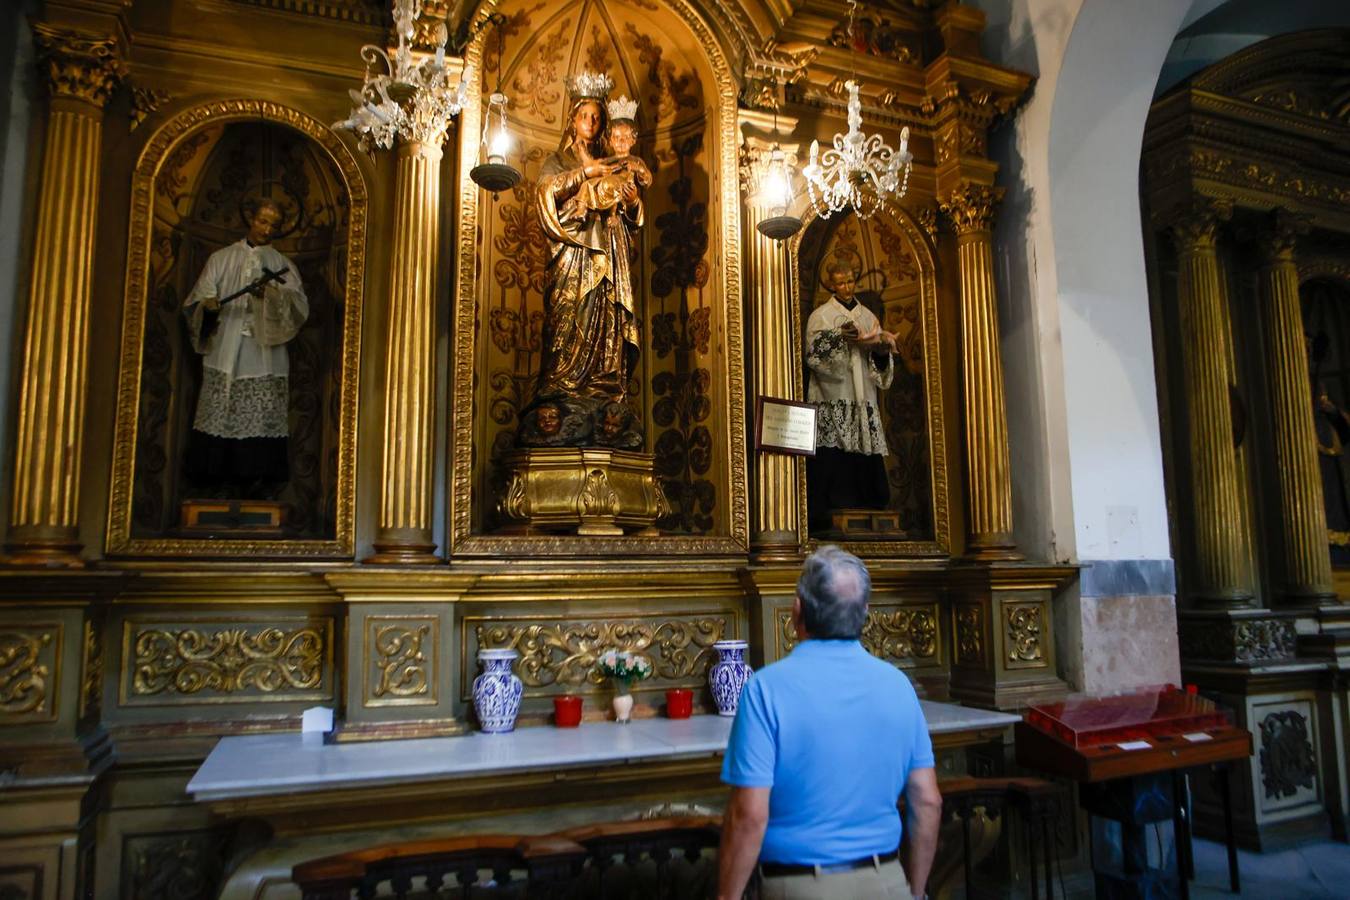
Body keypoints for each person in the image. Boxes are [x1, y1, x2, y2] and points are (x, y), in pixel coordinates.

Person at [718, 545, 941, 900]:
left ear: (797, 610)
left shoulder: (765, 689)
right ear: (865, 612)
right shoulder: (898, 685)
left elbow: (749, 815)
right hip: (886, 881)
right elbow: (927, 801)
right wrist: (913, 890)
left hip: (798, 886)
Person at [519, 71, 645, 449]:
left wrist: (631, 201)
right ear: (572, 118)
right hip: (572, 252)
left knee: (606, 317)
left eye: (596, 118)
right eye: (584, 116)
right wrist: (584, 174)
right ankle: (561, 386)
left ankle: (603, 386)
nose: (590, 123)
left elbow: (630, 213)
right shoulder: (559, 159)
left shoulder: (613, 160)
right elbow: (545, 193)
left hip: (608, 254)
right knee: (568, 317)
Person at [182, 198, 308, 497]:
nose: (266, 229)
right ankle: (215, 483)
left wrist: (272, 296)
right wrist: (208, 306)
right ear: (250, 219)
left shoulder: (282, 265)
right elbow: (197, 301)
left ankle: (257, 484)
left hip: (264, 353)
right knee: (220, 409)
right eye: (262, 221)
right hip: (225, 348)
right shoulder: (221, 258)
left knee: (261, 416)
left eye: (273, 225)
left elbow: (299, 308)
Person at [805, 262, 898, 531]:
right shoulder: (820, 316)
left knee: (866, 460)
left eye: (850, 281)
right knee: (833, 459)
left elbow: (879, 372)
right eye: (840, 282)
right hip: (834, 395)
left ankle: (871, 505)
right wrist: (838, 337)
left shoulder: (868, 316)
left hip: (863, 396)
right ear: (831, 285)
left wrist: (881, 351)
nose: (846, 287)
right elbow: (812, 357)